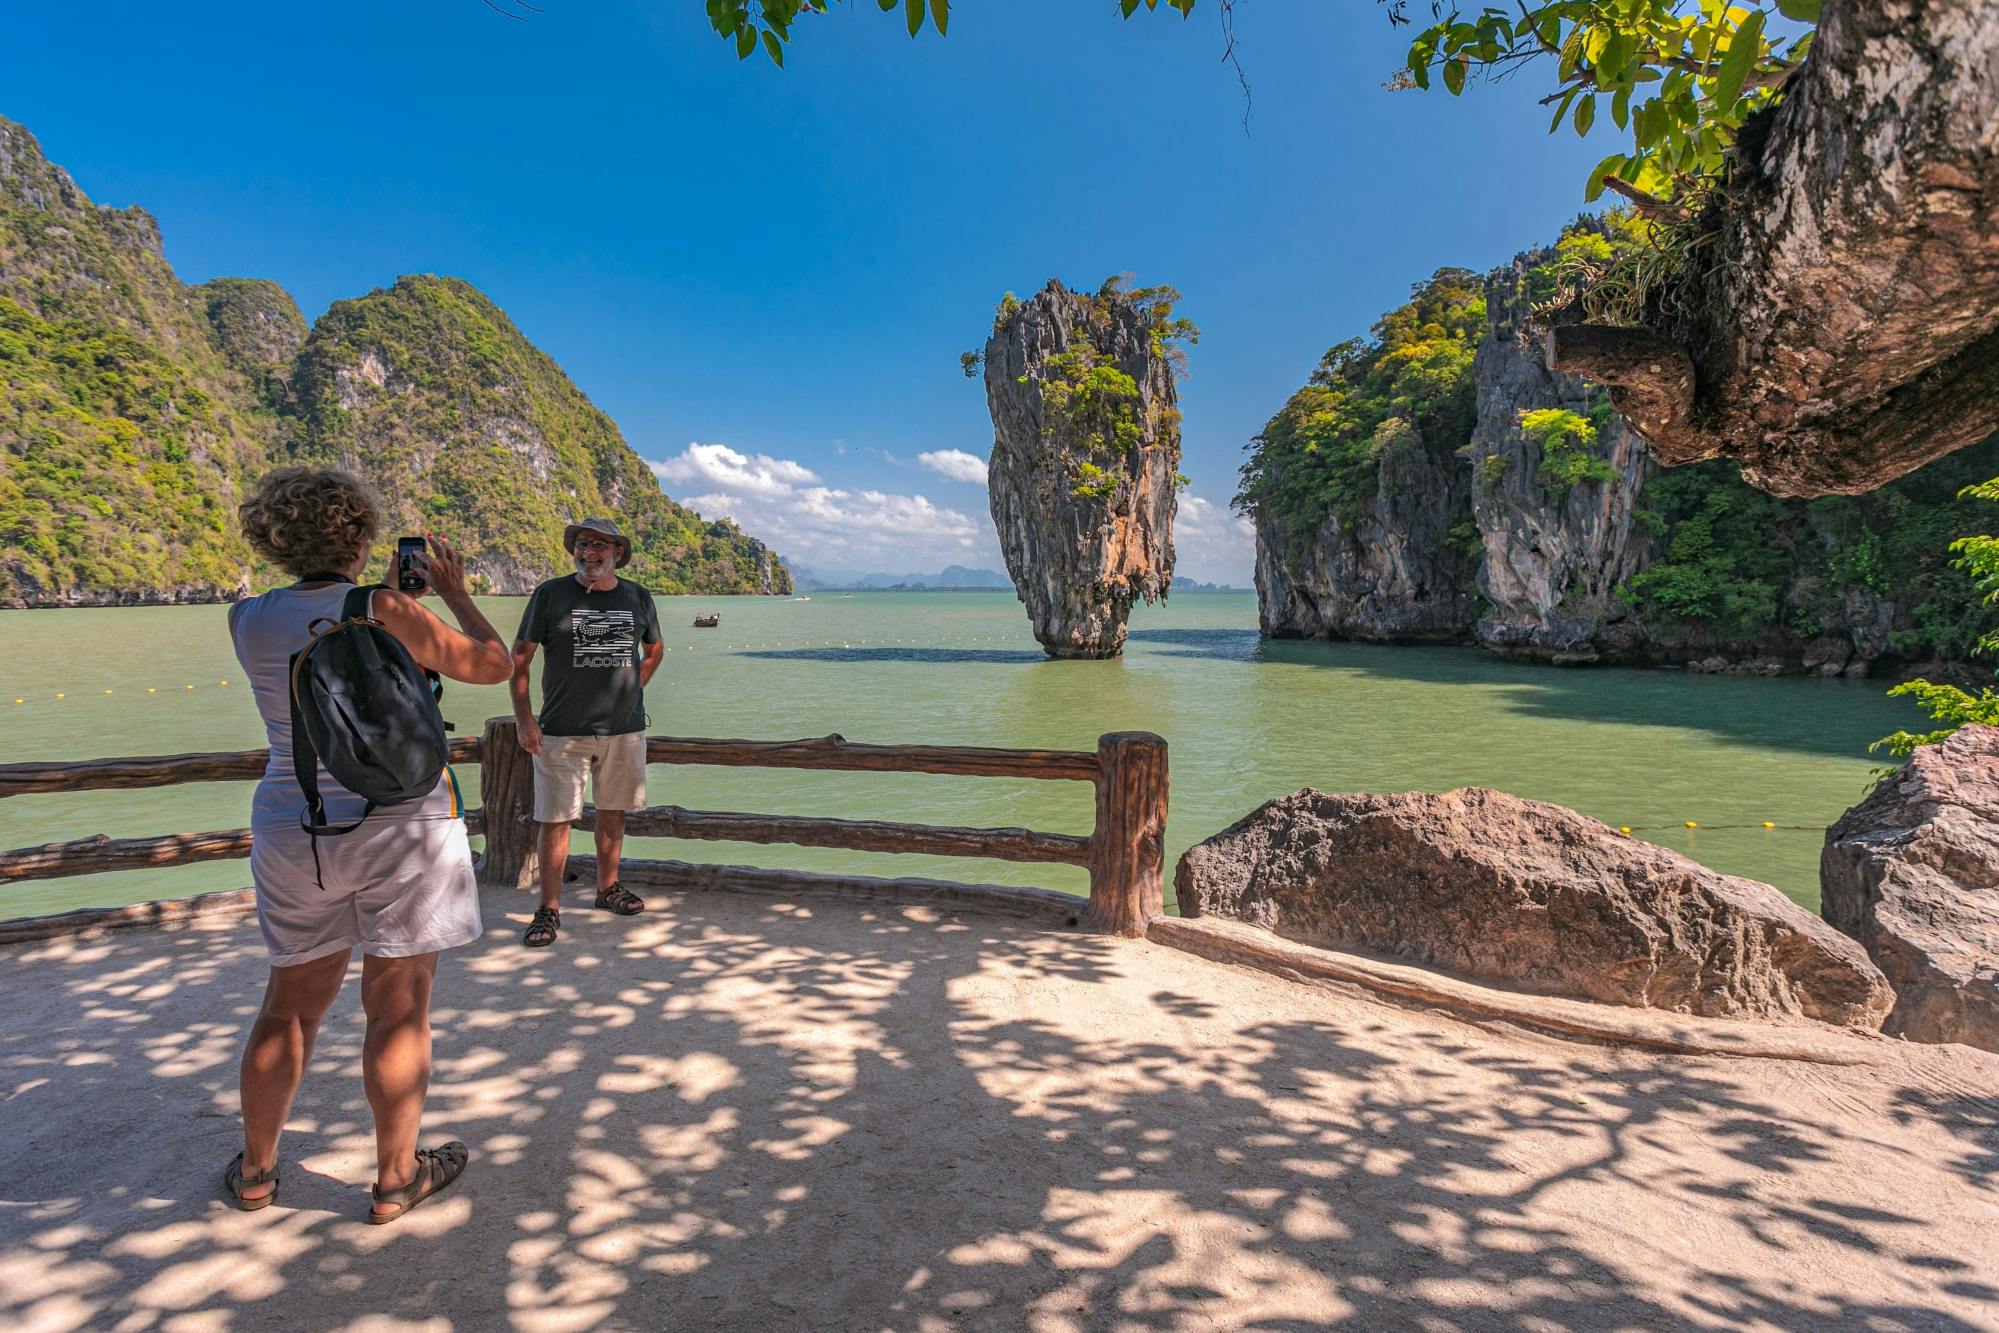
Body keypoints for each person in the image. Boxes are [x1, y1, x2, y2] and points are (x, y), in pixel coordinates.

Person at [224, 467, 512, 1223]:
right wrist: (445, 591)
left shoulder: (246, 618)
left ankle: (256, 1172)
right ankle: (393, 1179)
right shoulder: (387, 607)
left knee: (288, 1006)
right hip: (403, 824)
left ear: (271, 537)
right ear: (358, 533)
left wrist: (386, 604)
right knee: (397, 1008)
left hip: (294, 823)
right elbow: (493, 664)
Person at [511, 517, 664, 948]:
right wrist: (525, 718)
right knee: (555, 820)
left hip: (623, 730)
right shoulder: (550, 594)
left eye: (601, 545)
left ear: (617, 553)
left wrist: (633, 690)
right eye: (583, 543)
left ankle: (607, 889)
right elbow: (519, 659)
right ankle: (549, 907)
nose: (590, 551)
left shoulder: (637, 596)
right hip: (561, 729)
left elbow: (654, 648)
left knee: (613, 812)